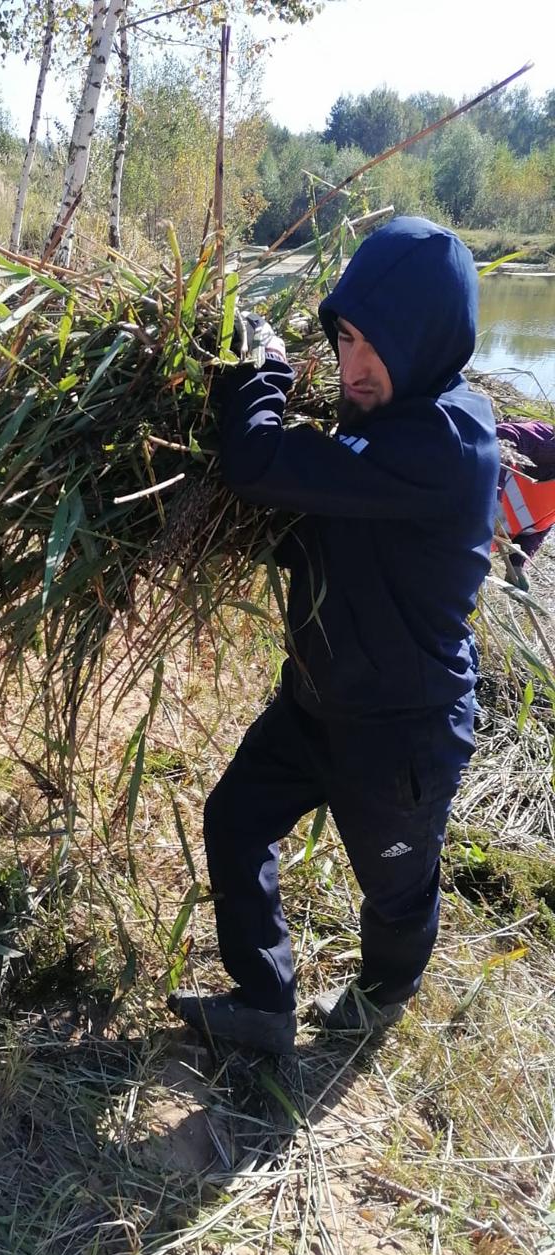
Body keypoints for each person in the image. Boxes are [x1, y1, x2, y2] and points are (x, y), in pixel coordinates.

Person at [168, 217, 499, 1054]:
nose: (353, 368)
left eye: (374, 346)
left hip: (400, 733)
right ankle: (264, 1005)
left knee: (395, 890)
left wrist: (265, 373)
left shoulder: (448, 445)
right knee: (235, 820)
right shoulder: (384, 423)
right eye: (344, 337)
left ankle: (384, 995)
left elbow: (261, 464)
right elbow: (307, 517)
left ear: (425, 340)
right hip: (317, 697)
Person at [495, 419, 555, 589]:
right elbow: (501, 436)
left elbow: (536, 529)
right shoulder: (548, 440)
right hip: (452, 496)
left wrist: (517, 563)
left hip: (467, 537)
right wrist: (491, 496)